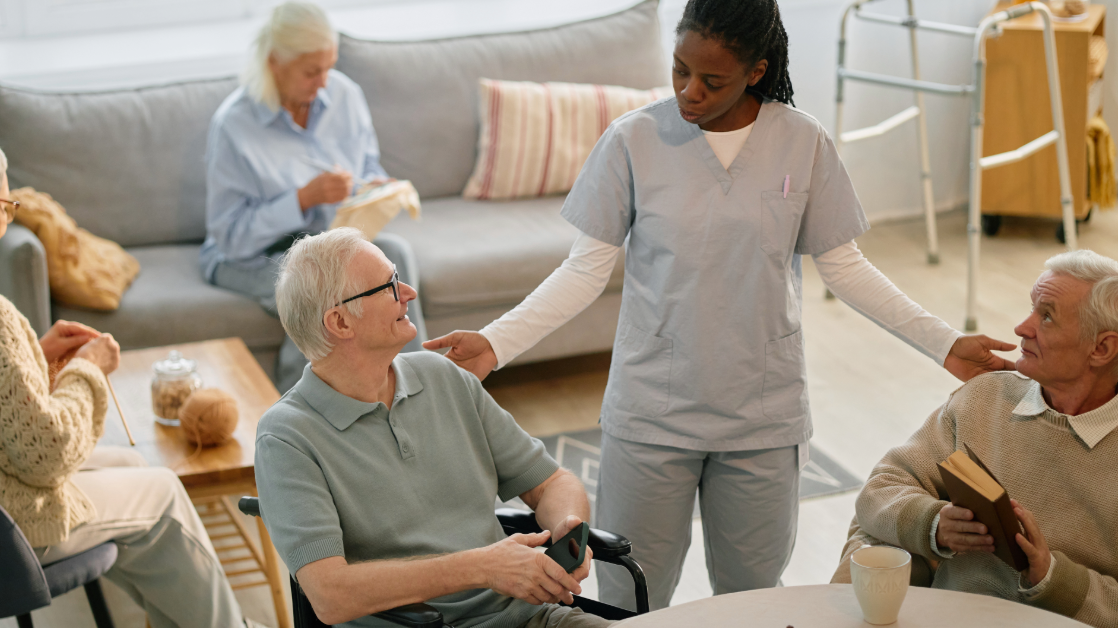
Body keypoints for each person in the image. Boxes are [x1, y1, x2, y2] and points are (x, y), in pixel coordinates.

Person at [423, 0, 1018, 611]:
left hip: (761, 416)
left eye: (712, 80)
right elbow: (585, 270)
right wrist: (495, 343)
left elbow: (844, 267)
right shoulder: (633, 140)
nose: (689, 91)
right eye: (680, 70)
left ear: (756, 71)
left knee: (755, 597)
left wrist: (945, 343)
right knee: (629, 595)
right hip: (652, 413)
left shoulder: (802, 141)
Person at [0, 131, 263, 628]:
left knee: (129, 461)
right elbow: (47, 452)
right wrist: (88, 368)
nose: (9, 215)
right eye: (6, 204)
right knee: (163, 491)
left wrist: (31, 353)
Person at [254, 228, 619, 628]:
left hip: (533, 618)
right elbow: (330, 594)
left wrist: (569, 528)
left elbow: (551, 482)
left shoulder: (443, 376)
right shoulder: (286, 438)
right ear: (340, 322)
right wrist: (483, 567)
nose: (409, 292)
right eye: (389, 286)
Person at [833, 250, 1118, 627]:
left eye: (1046, 316)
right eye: (1031, 308)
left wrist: (1052, 575)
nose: (1022, 327)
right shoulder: (985, 398)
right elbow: (881, 489)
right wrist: (935, 524)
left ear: (1102, 349)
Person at [201, 0, 426, 392]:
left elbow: (367, 167)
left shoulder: (345, 95)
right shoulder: (233, 126)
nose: (324, 82)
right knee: (315, 289)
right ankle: (302, 420)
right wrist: (302, 199)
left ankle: (417, 392)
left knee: (396, 258)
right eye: (311, 71)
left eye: (329, 66)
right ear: (275, 62)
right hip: (250, 255)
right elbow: (231, 237)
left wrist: (374, 188)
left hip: (329, 242)